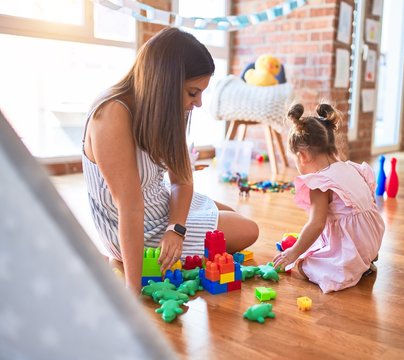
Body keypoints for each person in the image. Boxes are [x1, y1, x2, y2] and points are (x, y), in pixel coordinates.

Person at [82, 27, 259, 293]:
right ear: (164, 83)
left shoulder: (169, 107)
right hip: (133, 225)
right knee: (247, 229)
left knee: (232, 220)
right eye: (192, 92)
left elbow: (182, 179)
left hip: (160, 204)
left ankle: (127, 260)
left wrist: (176, 229)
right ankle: (124, 259)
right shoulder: (112, 114)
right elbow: (130, 207)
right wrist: (133, 295)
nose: (198, 103)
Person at [272, 103, 384, 293]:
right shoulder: (352, 168)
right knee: (314, 248)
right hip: (372, 242)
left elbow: (316, 224)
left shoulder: (320, 182)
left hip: (353, 248)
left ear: (303, 156)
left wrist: (293, 253)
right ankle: (364, 260)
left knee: (301, 266)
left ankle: (351, 265)